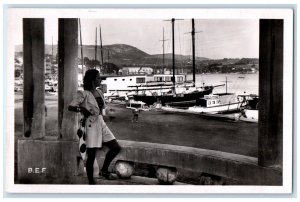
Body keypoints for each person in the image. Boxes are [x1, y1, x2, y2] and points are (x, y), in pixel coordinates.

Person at [68, 69, 121, 184]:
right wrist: (82, 109)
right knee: (91, 155)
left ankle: (104, 170)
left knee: (116, 147)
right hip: (90, 124)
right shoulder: (83, 93)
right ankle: (91, 182)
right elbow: (71, 107)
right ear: (92, 80)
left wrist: (106, 116)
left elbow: (102, 109)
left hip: (101, 122)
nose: (100, 80)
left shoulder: (100, 92)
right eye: (98, 78)